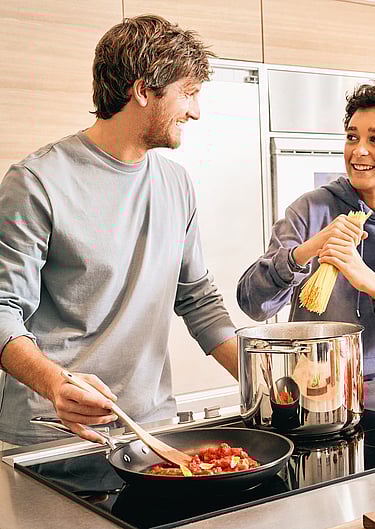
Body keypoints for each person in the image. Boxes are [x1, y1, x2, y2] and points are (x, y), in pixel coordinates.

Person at [0, 15, 239, 448]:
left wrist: (268, 380)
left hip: (149, 430)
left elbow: (197, 299)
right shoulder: (35, 181)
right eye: (188, 93)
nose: (196, 111)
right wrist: (56, 384)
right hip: (53, 435)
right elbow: (1, 309)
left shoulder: (176, 183)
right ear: (143, 90)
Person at [237, 82, 375, 380]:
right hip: (308, 388)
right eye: (352, 137)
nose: (358, 150)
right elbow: (253, 303)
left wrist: (374, 284)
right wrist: (304, 253)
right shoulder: (309, 209)